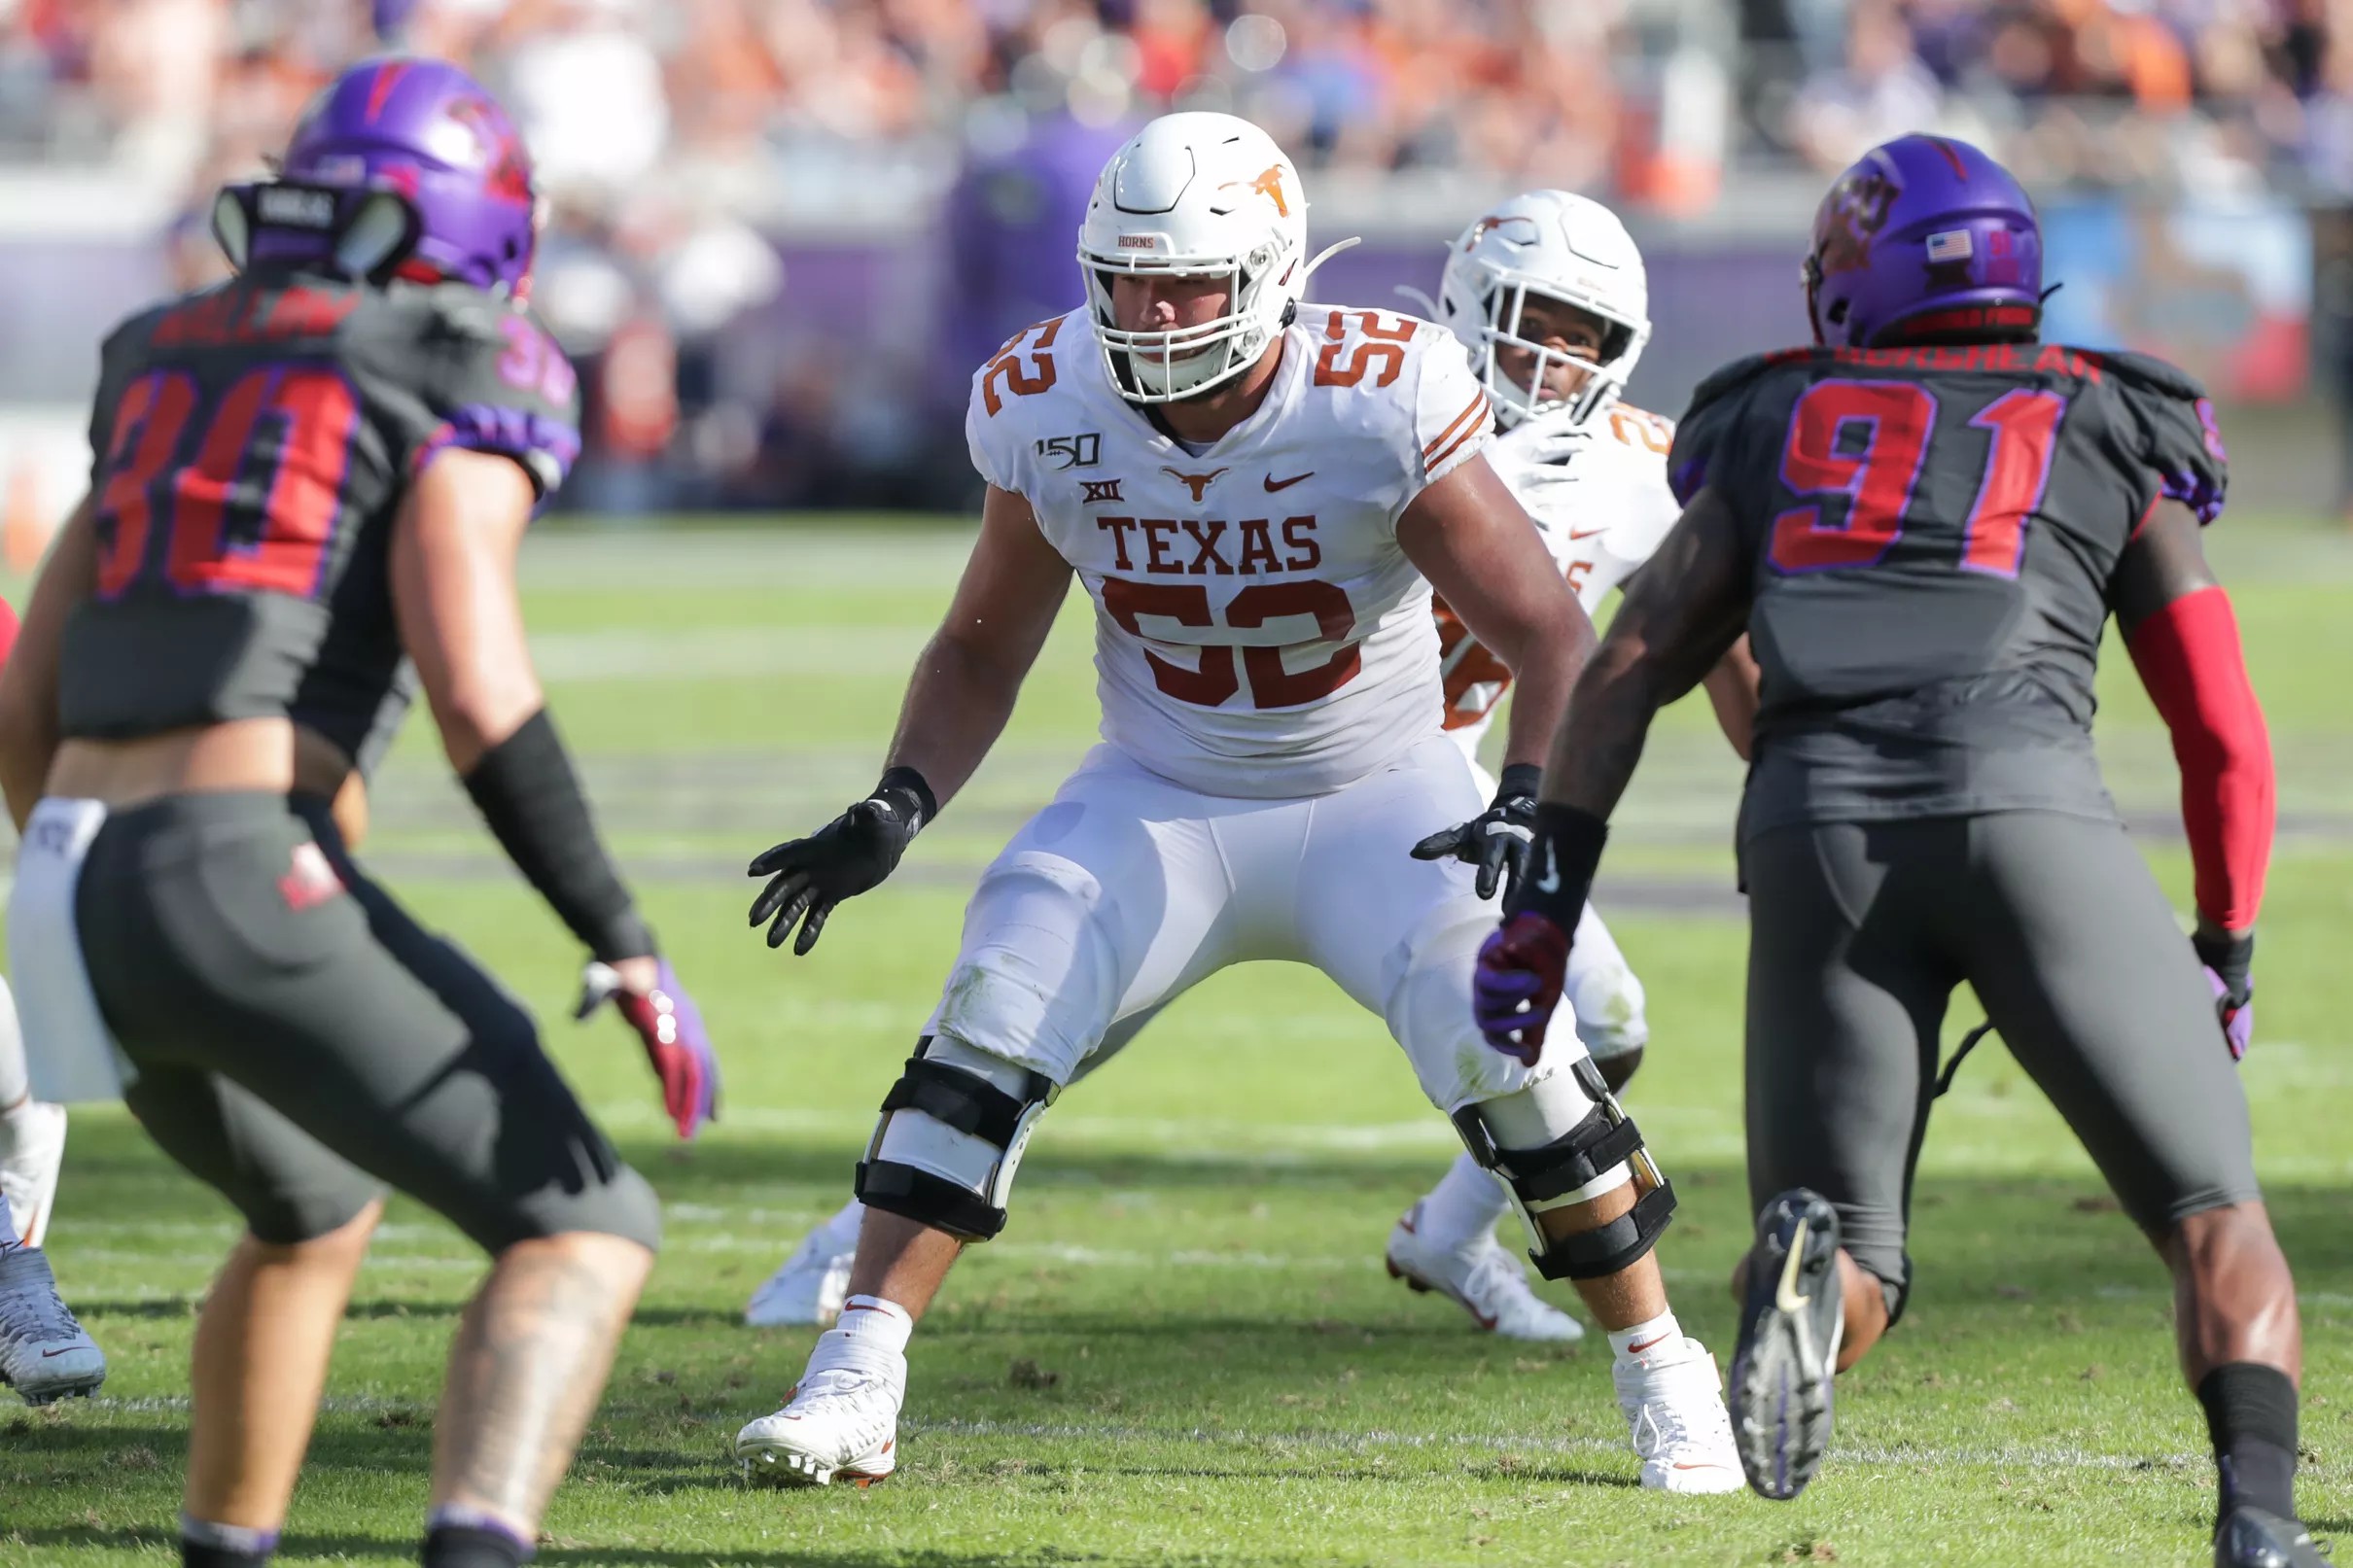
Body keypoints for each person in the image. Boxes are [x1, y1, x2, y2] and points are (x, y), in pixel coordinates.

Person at [730, 113, 1741, 1495]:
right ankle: (857, 1373)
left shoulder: (1375, 390)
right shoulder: (1047, 397)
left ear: (1269, 272)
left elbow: (1548, 629)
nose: (1151, 312)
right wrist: (900, 800)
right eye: (1127, 277)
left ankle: (1664, 1371)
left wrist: (1522, 795)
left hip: (1384, 789)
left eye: (1187, 282)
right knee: (1000, 993)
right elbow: (980, 642)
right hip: (1164, 788)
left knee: (1513, 1040)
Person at [1473, 134, 2317, 1566]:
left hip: (1818, 835)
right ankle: (2258, 1519)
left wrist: (1542, 914)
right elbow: (2224, 730)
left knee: (1850, 1243)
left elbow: (1630, 662)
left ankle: (1815, 1294)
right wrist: (2224, 944)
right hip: (2032, 813)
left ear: (1850, 282)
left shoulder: (1771, 416)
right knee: (2206, 1208)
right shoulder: (2108, 416)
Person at [0, 58, 719, 1568]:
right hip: (226, 856)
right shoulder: (461, 355)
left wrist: (97, 879)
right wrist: (624, 938)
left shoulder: (166, 349)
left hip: (63, 876)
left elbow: (29, 693)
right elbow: (476, 681)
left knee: (310, 1211)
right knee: (585, 1226)